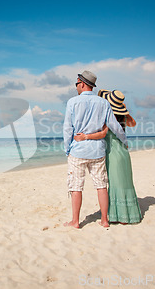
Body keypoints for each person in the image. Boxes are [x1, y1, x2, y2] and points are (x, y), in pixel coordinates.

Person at [63, 72, 128, 228]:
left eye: (76, 84)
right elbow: (114, 125)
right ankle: (104, 220)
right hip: (98, 151)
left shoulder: (72, 102)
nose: (76, 87)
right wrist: (124, 141)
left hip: (78, 151)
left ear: (83, 84)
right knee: (101, 185)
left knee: (76, 186)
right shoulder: (103, 103)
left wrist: (67, 149)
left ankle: (75, 221)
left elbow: (67, 128)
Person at [74, 89, 142, 224]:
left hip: (113, 154)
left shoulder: (107, 119)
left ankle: (119, 216)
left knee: (116, 184)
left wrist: (84, 137)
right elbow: (132, 123)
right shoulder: (122, 119)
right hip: (123, 152)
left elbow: (103, 134)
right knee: (126, 183)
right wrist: (125, 112)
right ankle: (128, 215)